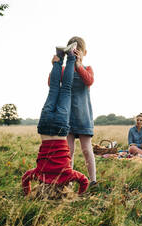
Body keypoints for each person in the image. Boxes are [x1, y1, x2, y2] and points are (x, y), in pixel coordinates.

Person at [22, 42, 89, 196]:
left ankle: (70, 56)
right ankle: (59, 55)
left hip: (60, 128)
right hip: (44, 126)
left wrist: (79, 195)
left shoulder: (67, 175)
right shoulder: (39, 175)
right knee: (54, 88)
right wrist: (27, 193)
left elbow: (84, 181)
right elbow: (25, 178)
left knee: (65, 88)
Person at [48, 37, 97, 186]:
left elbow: (89, 81)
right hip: (67, 116)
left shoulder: (87, 69)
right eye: (73, 52)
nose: (76, 54)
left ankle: (93, 180)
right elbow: (52, 83)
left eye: (79, 52)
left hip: (83, 115)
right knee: (68, 151)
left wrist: (78, 64)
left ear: (85, 53)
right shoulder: (64, 70)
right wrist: (55, 65)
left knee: (87, 149)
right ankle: (67, 181)